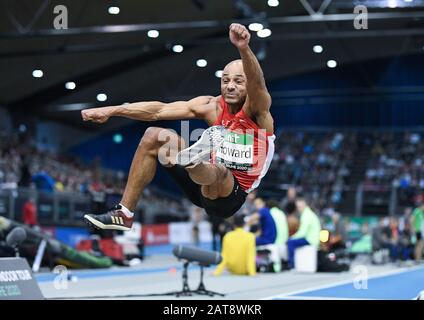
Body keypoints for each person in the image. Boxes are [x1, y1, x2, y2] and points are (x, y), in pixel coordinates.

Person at [81, 23, 275, 231]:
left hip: (231, 194)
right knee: (154, 135)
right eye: (225, 80)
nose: (229, 85)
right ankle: (125, 213)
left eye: (238, 81)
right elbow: (158, 111)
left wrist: (244, 48)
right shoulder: (211, 106)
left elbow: (258, 83)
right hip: (200, 186)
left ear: (248, 85)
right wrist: (112, 110)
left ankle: (193, 160)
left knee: (220, 171)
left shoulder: (258, 112)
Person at [286, 198, 321, 269]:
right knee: (292, 241)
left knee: (290, 242)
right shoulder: (309, 213)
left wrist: (292, 238)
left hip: (310, 240)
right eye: (297, 207)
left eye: (300, 207)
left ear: (304, 205)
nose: (298, 208)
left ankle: (291, 265)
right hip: (313, 239)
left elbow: (302, 232)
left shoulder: (306, 215)